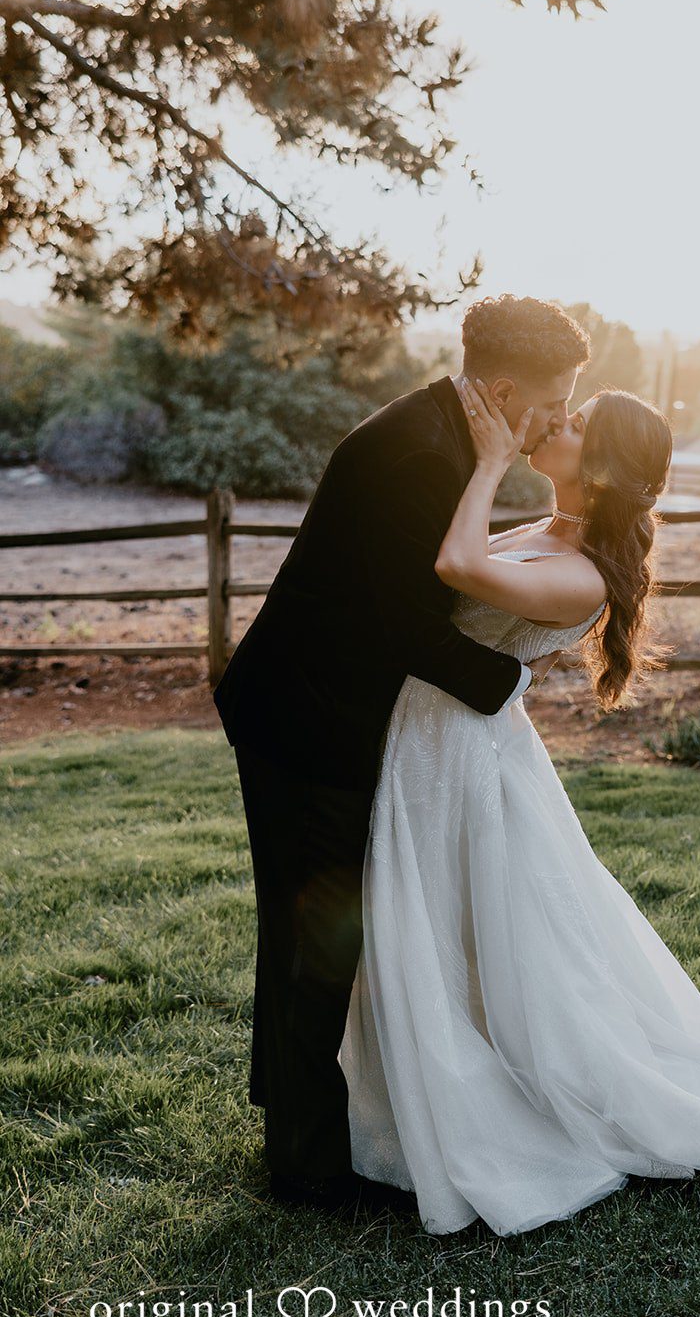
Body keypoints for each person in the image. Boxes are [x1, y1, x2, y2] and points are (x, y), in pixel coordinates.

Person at [337, 366, 700, 1237]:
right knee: (460, 923)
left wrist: (488, 460)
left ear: (597, 470)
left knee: (475, 923)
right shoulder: (553, 528)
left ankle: (492, 1089)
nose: (555, 420)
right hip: (433, 740)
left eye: (576, 421)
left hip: (456, 752)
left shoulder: (582, 578)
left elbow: (456, 565)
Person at [213, 294, 592, 1211]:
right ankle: (305, 1166)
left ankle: (292, 1107)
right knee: (320, 938)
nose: (553, 424)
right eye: (549, 403)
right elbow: (411, 633)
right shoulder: (424, 455)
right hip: (310, 719)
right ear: (502, 390)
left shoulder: (441, 429)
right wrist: (513, 687)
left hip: (308, 705)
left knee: (306, 929)